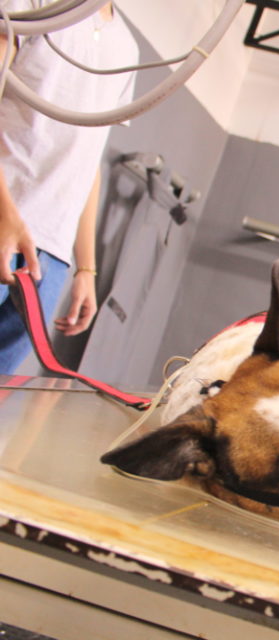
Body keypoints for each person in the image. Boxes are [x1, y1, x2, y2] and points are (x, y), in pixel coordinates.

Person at [0, 0, 138, 373]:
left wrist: (84, 269)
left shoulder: (126, 47)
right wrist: (5, 213)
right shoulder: (34, 5)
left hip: (50, 258)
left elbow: (87, 160)